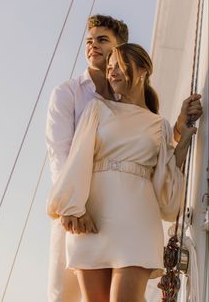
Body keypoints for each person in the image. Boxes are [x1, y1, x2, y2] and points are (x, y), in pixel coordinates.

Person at [46, 15, 202, 302]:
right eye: (110, 68)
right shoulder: (89, 105)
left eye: (117, 64)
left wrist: (183, 132)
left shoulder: (158, 124)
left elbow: (165, 173)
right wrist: (72, 207)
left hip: (136, 218)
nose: (112, 72)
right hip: (88, 215)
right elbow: (67, 158)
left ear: (141, 69)